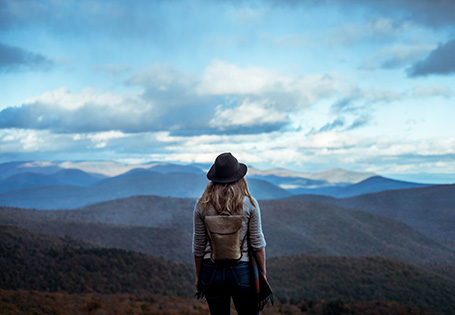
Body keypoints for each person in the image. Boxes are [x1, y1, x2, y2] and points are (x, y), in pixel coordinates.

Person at [193, 152, 267, 314]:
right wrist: (262, 273)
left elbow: (198, 246)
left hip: (210, 270)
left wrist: (199, 275)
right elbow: (257, 244)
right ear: (239, 178)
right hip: (242, 270)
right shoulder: (250, 204)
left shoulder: (201, 205)